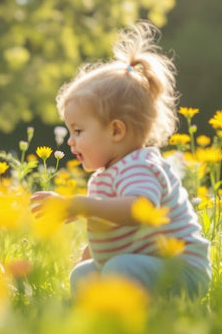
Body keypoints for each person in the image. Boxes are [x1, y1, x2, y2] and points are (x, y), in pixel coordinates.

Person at [30, 22, 211, 297]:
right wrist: (88, 255)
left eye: (78, 131)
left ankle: (135, 322)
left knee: (120, 267)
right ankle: (95, 318)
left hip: (181, 269)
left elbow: (137, 209)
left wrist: (79, 205)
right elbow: (107, 232)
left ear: (116, 130)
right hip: (147, 265)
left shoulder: (140, 165)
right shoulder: (105, 176)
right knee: (85, 273)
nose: (70, 140)